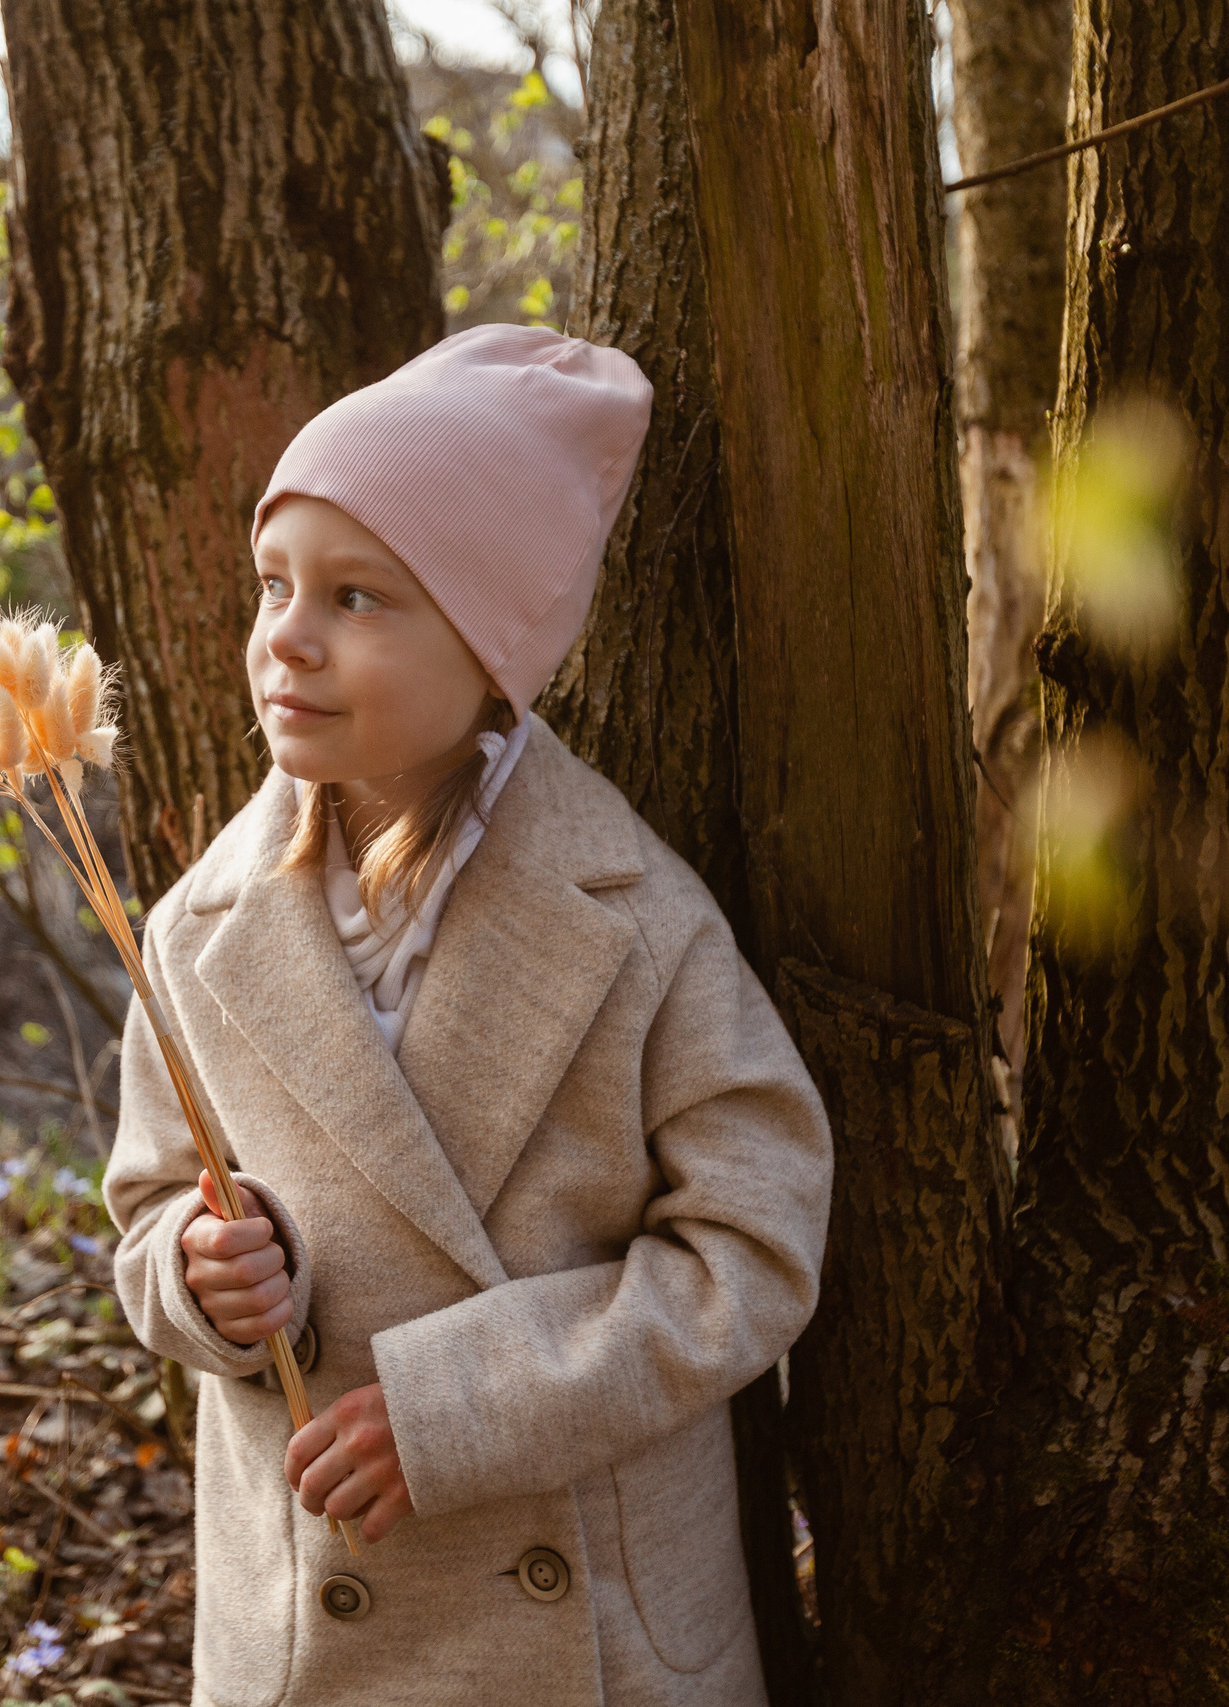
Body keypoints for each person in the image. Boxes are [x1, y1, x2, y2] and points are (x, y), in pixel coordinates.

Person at [102, 322, 833, 1707]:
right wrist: (202, 1276)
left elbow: (755, 1238)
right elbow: (143, 1215)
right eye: (274, 587)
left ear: (492, 642)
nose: (289, 643)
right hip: (313, 1635)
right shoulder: (201, 929)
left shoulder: (636, 920)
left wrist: (461, 1413)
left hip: (592, 1639)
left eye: (361, 599)